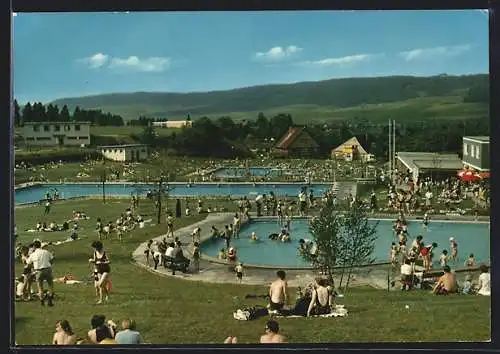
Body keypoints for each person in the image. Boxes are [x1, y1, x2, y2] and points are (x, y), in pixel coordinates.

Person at [26, 240, 55, 306]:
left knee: (40, 287)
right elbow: (52, 259)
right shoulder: (46, 252)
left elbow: (28, 263)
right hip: (47, 269)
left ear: (34, 246)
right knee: (50, 285)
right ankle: (50, 298)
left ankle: (42, 301)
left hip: (38, 271)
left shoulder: (33, 254)